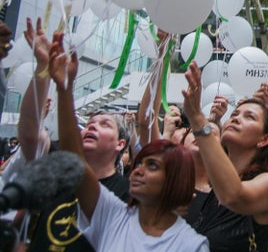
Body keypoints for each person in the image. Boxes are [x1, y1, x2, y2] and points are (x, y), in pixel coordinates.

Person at [48, 31, 208, 251]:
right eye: (139, 163)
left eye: (152, 166)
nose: (136, 171)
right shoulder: (113, 214)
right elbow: (74, 161)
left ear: (177, 179)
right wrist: (64, 88)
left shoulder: (192, 245)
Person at [14, 19, 131, 251]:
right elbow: (28, 130)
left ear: (120, 144)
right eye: (90, 123)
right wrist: (43, 68)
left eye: (104, 124)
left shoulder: (126, 193)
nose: (92, 127)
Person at [182, 61, 268, 251]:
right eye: (235, 113)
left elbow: (234, 195)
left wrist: (197, 118)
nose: (236, 117)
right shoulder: (214, 190)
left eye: (249, 117)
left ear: (265, 139)